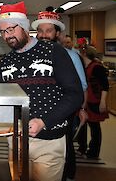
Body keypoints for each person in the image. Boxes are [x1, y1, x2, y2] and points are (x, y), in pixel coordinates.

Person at [0, 2, 83, 181]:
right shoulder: (5, 62)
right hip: (15, 140)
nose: (6, 36)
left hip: (48, 141)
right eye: (2, 32)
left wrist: (44, 121)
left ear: (24, 26)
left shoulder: (54, 52)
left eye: (10, 29)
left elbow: (75, 94)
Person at [31, 10, 88, 181]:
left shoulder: (70, 55)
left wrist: (82, 109)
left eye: (48, 31)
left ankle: (67, 176)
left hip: (64, 109)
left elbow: (81, 86)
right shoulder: (34, 54)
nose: (43, 35)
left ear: (57, 33)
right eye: (40, 31)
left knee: (65, 144)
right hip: (39, 115)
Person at [77, 45, 109, 159]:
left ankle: (93, 153)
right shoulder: (85, 66)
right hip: (86, 102)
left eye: (80, 52)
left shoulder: (96, 67)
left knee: (95, 128)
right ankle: (82, 148)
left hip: (95, 101)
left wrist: (103, 102)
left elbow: (105, 86)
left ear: (84, 54)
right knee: (83, 126)